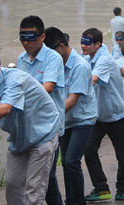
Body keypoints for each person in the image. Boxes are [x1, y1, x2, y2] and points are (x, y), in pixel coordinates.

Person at [0, 47, 61, 205]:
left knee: (34, 192)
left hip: (42, 136)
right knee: (13, 185)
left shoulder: (15, 80)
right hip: (19, 139)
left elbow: (5, 108)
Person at [81, 28, 124, 202]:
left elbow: (92, 80)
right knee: (89, 150)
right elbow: (120, 68)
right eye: (82, 41)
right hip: (99, 116)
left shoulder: (104, 60)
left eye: (87, 42)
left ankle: (122, 188)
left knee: (121, 154)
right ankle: (101, 188)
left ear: (98, 44)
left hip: (117, 116)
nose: (83, 45)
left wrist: (73, 97)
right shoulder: (90, 57)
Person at [44, 27, 98, 205]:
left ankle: (78, 201)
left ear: (60, 47)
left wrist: (48, 116)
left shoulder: (80, 66)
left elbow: (73, 99)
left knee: (71, 161)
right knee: (66, 163)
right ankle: (70, 200)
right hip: (66, 121)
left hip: (83, 119)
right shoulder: (56, 64)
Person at [16, 16, 65, 205]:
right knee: (34, 179)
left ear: (42, 37)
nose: (26, 42)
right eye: (22, 37)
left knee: (47, 177)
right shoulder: (21, 59)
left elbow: (48, 87)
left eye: (31, 37)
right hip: (29, 126)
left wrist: (15, 101)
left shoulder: (53, 58)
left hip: (49, 128)